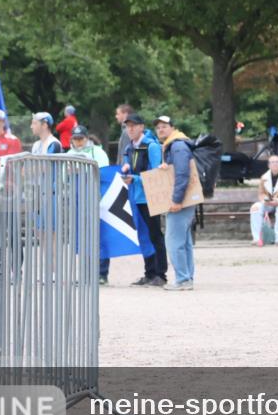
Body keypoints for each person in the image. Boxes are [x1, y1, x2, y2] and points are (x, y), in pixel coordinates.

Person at [121, 113, 168, 287]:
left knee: (155, 234)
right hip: (136, 197)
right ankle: (149, 273)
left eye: (134, 125)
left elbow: (157, 174)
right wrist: (125, 169)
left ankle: (160, 274)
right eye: (128, 126)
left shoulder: (151, 145)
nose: (130, 129)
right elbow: (129, 164)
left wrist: (135, 178)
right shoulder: (130, 147)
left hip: (150, 197)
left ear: (142, 127)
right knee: (143, 234)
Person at [154, 115, 197, 290]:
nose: (160, 129)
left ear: (172, 127)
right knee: (184, 241)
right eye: (158, 127)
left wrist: (176, 200)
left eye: (164, 126)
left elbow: (182, 174)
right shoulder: (177, 144)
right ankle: (187, 278)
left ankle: (182, 279)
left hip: (180, 201)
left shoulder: (177, 146)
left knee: (173, 241)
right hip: (185, 200)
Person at [67, 125, 111, 284]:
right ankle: (85, 272)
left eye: (81, 139)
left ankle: (101, 273)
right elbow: (63, 177)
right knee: (83, 236)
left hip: (96, 199)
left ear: (87, 138)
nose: (78, 142)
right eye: (75, 139)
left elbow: (104, 173)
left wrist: (82, 171)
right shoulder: (69, 154)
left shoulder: (98, 152)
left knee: (100, 236)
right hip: (78, 200)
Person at [249, 154, 278, 246]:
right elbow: (261, 193)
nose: (275, 164)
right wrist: (265, 200)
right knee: (255, 208)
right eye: (272, 162)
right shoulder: (264, 177)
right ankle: (256, 238)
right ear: (269, 165)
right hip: (268, 203)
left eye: (277, 162)